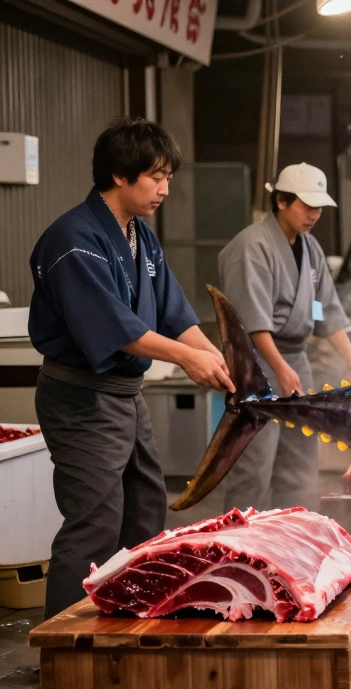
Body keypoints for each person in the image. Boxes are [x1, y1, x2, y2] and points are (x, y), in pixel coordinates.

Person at [27, 118, 233, 618]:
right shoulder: (73, 240)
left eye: (167, 177)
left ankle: (127, 621)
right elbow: (115, 328)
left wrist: (219, 358)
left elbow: (174, 312)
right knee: (94, 522)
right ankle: (65, 650)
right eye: (154, 176)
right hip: (81, 397)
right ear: (120, 174)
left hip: (124, 395)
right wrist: (189, 359)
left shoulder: (140, 235)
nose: (164, 189)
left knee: (144, 508)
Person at [217, 162, 351, 513]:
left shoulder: (311, 248)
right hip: (256, 366)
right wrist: (279, 369)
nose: (314, 214)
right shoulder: (251, 246)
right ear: (281, 201)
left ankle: (292, 542)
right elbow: (253, 321)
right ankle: (239, 550)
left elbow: (325, 309)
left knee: (300, 465)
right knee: (254, 466)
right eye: (307, 205)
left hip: (296, 362)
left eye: (318, 207)